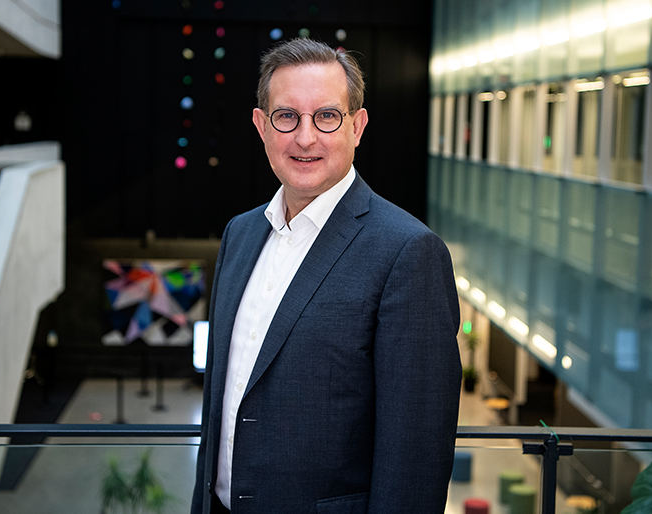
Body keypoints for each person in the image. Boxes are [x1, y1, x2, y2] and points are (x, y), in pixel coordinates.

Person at [191, 38, 461, 514]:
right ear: (261, 126)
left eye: (327, 117)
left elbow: (415, 454)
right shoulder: (240, 234)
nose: (305, 137)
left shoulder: (408, 252)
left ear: (357, 126)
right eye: (287, 116)